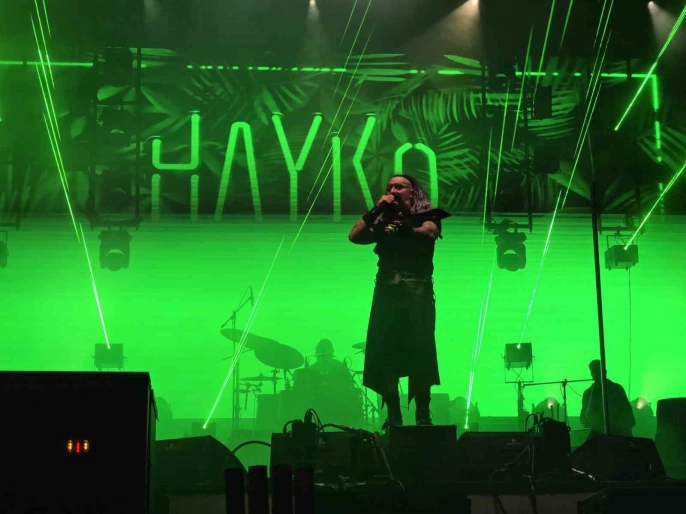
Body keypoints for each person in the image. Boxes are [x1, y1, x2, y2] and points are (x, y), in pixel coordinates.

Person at [348, 174, 450, 428]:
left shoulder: (428, 215)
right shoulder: (383, 220)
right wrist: (377, 209)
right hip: (386, 289)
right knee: (385, 350)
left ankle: (423, 414)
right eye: (389, 187)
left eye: (399, 186)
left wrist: (407, 229)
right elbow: (354, 236)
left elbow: (429, 233)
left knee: (421, 349)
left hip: (417, 288)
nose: (393, 190)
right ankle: (393, 415)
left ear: (413, 191)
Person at [580, 359, 635, 439]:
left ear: (605, 372)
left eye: (598, 371)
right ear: (591, 373)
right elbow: (583, 417)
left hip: (618, 435)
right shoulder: (588, 393)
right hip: (598, 437)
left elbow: (628, 413)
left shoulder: (617, 389)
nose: (595, 374)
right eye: (593, 372)